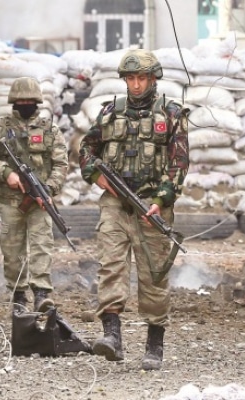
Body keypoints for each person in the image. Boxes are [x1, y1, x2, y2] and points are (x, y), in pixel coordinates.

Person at [78, 48, 189, 371]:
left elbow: (179, 162)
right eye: (130, 78)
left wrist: (162, 199)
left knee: (154, 274)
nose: (136, 85)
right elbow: (87, 148)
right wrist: (98, 177)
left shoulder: (170, 114)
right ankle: (111, 335)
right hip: (115, 204)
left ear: (153, 79)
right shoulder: (111, 112)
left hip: (151, 206)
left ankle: (154, 343)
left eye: (142, 78)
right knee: (111, 265)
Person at [0, 77, 68, 313]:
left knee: (42, 245)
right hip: (9, 200)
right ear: (13, 102)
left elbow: (61, 164)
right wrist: (6, 173)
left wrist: (49, 189)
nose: (25, 104)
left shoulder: (49, 130)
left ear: (37, 102)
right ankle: (18, 295)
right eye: (21, 100)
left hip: (39, 199)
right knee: (12, 251)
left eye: (30, 101)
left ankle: (41, 293)